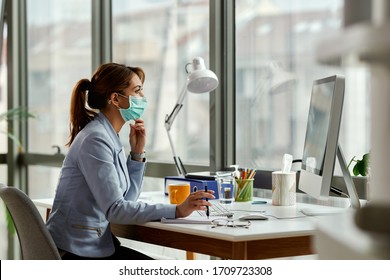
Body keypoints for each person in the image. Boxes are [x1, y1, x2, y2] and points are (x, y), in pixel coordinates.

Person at [46, 62, 214, 260]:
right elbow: (116, 210)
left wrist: (137, 154)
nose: (143, 98)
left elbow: (127, 201)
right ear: (116, 99)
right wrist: (177, 210)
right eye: (137, 91)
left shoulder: (107, 135)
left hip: (94, 245)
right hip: (76, 252)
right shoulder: (95, 139)